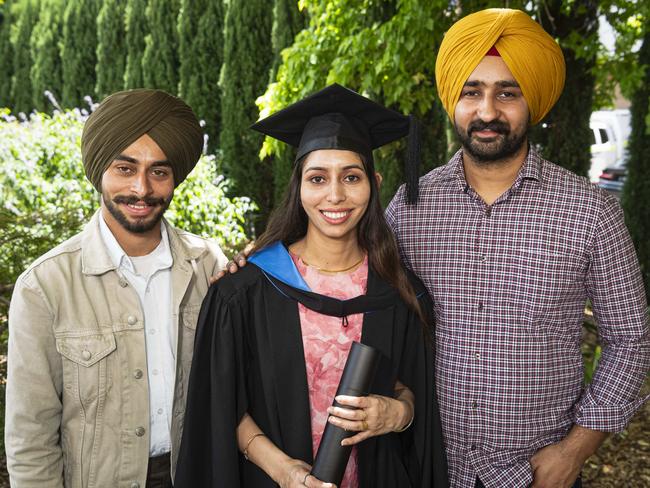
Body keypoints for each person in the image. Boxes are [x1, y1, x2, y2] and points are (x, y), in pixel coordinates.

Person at [384, 8, 650, 488]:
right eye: (472, 91)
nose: (487, 112)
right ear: (453, 100)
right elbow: (351, 289)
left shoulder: (590, 212)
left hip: (538, 474)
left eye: (507, 92)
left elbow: (630, 342)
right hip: (428, 466)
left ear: (533, 100)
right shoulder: (410, 207)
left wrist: (574, 450)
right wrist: (262, 260)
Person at [174, 84, 448, 488]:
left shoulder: (398, 292)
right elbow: (219, 401)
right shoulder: (246, 290)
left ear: (373, 182)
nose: (335, 195)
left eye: (351, 177)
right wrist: (284, 471)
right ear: (299, 185)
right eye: (318, 178)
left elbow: (412, 388)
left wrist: (398, 413)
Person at [5, 89, 228, 488]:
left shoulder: (208, 266)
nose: (142, 189)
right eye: (125, 169)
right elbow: (30, 436)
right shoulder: (45, 286)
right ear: (99, 172)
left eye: (158, 172)